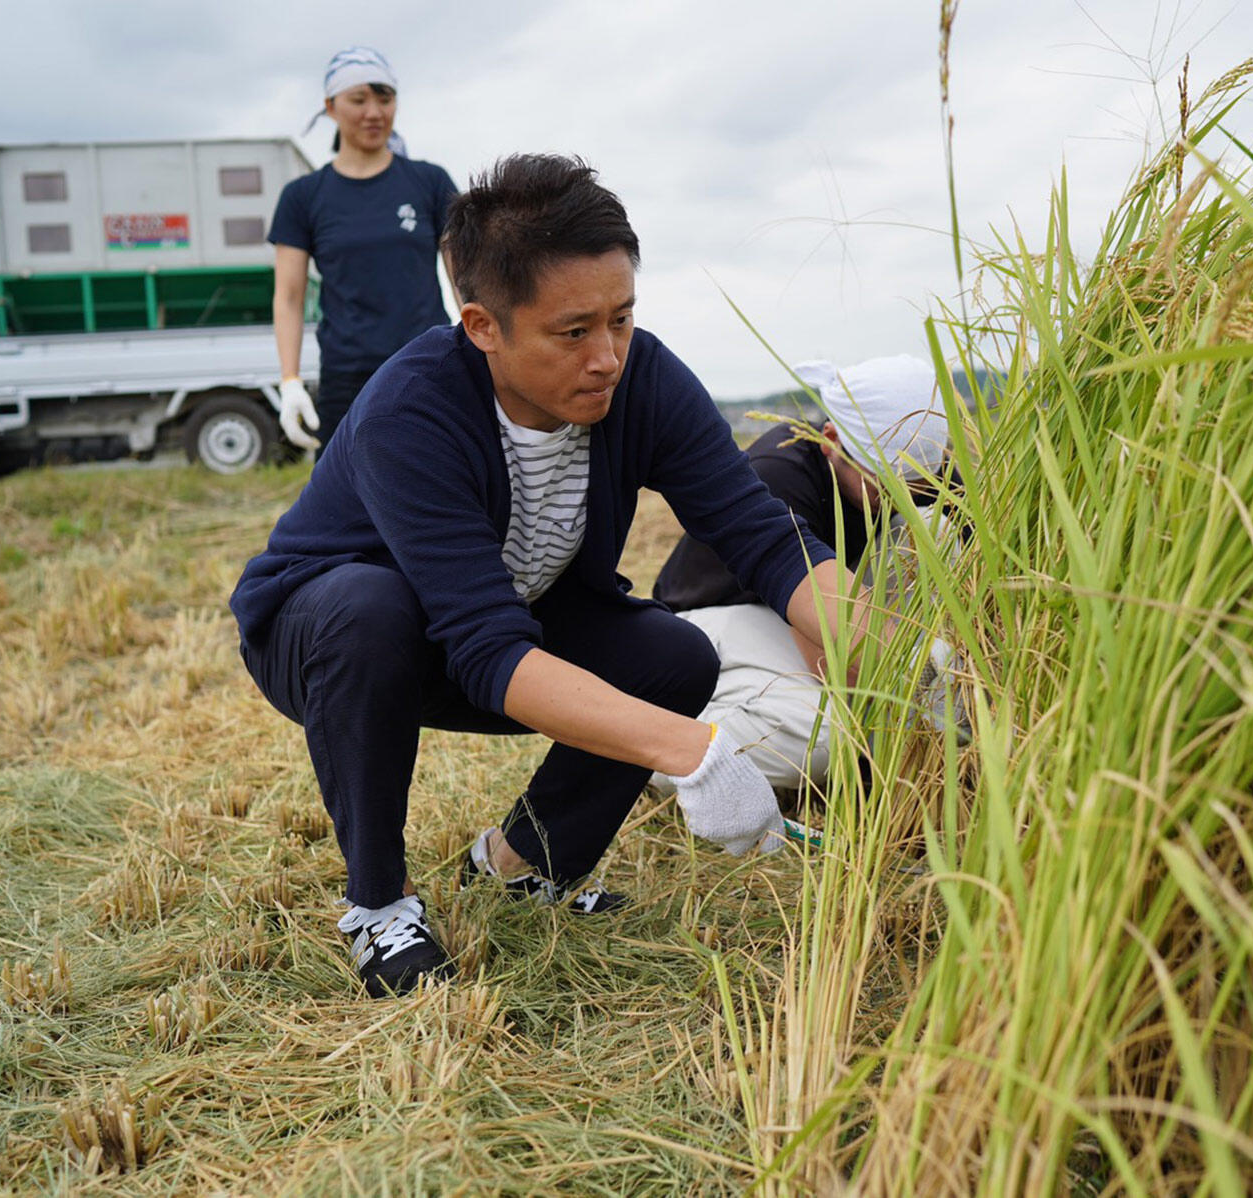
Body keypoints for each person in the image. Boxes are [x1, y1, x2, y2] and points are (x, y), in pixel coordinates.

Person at [230, 154, 856, 999]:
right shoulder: (412, 412)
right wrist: (693, 754)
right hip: (338, 640)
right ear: (485, 325)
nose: (607, 357)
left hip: (498, 621)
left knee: (674, 657)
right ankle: (379, 906)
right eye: (574, 332)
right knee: (368, 609)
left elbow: (768, 541)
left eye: (622, 319)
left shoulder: (643, 378)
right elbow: (488, 652)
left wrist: (912, 657)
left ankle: (523, 865)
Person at [651, 355, 947, 796]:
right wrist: (899, 749)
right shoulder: (781, 473)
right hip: (712, 617)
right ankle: (647, 754)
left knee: (938, 536)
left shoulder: (910, 463)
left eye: (913, 483)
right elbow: (828, 648)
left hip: (813, 607)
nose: (901, 497)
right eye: (884, 483)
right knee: (826, 738)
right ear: (831, 440)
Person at [269, 46, 459, 454]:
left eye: (385, 98)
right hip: (348, 375)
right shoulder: (303, 196)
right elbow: (288, 296)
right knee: (343, 504)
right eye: (359, 100)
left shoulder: (429, 182)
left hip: (429, 365)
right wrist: (289, 379)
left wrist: (489, 349)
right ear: (331, 107)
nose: (374, 112)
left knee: (436, 487)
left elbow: (466, 277)